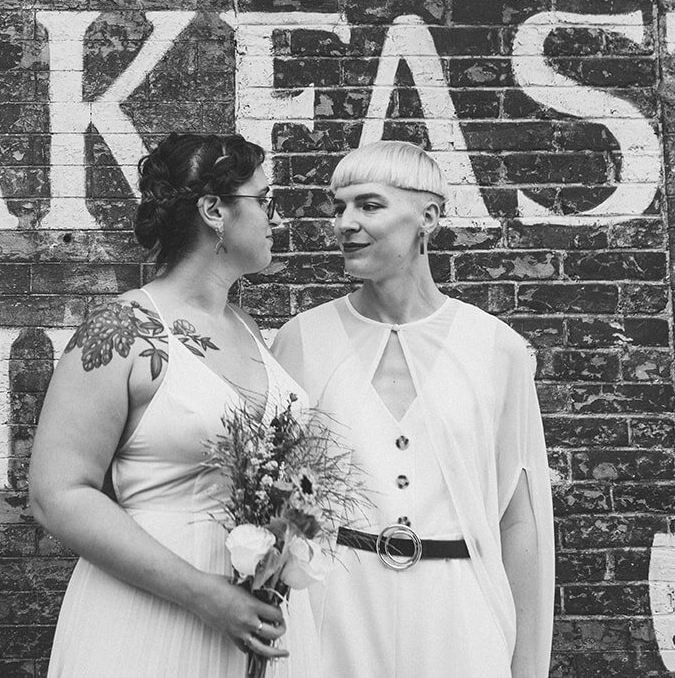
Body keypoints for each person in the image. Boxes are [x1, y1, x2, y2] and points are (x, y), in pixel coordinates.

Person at [31, 133, 322, 678]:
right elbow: (57, 495)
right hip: (151, 618)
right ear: (215, 210)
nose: (274, 219)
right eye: (264, 201)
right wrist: (205, 595)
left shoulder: (249, 329)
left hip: (254, 618)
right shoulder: (122, 329)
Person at [271, 140, 554, 678]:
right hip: (335, 609)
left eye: (369, 205)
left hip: (459, 611)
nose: (345, 223)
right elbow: (278, 506)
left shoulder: (496, 348)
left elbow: (519, 521)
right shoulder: (301, 340)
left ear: (428, 216)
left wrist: (524, 665)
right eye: (339, 207)